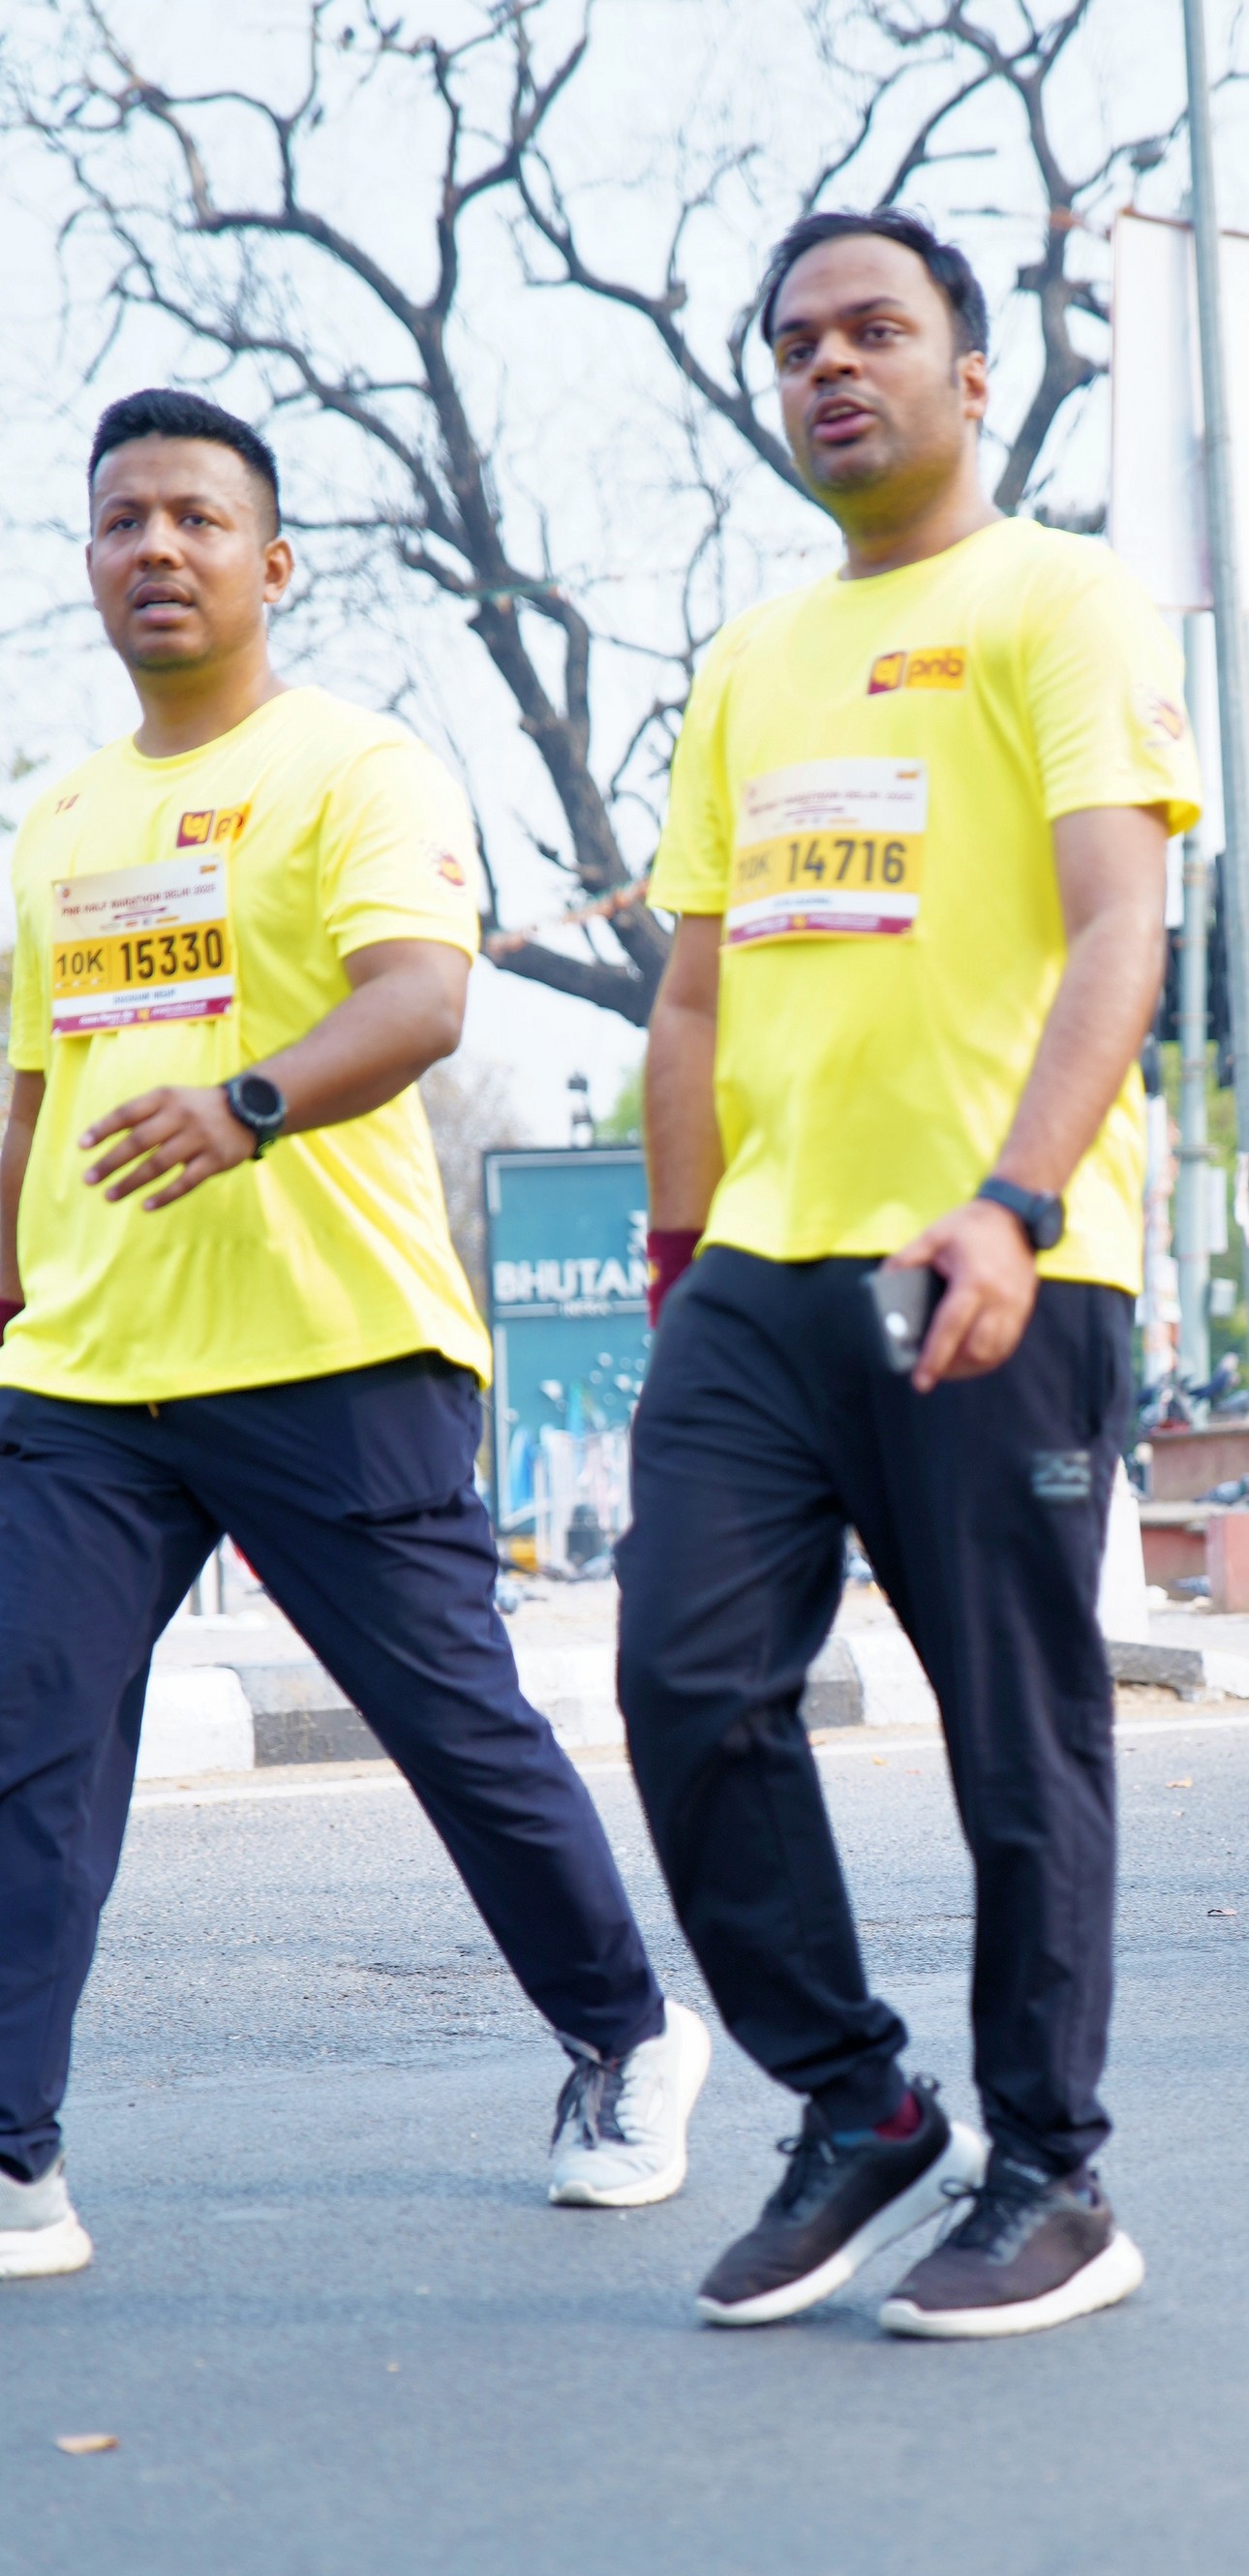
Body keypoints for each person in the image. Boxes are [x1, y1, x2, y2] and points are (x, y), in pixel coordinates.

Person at [0, 389, 709, 2283]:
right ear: (89, 561)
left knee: (453, 1730)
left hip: (336, 1351)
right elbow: (28, 1094)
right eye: (122, 521)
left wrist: (243, 1104)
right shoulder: (55, 818)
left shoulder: (354, 768)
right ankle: (10, 2157)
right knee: (28, 1736)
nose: (156, 547)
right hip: (86, 1376)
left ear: (274, 562)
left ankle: (627, 2037)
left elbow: (419, 999)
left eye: (195, 518)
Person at [619, 207, 1200, 2338]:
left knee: (1014, 1735)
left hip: (996, 1257)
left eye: (875, 330)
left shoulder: (1058, 597)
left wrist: (1018, 1202)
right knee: (684, 1685)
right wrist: (681, 1249)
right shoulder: (747, 661)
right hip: (765, 1273)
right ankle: (858, 2105)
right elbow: (696, 994)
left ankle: (1053, 2173)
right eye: (795, 345)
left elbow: (1120, 924)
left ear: (971, 371)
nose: (829, 367)